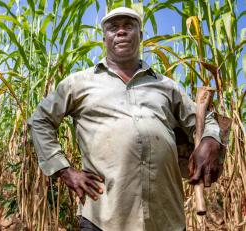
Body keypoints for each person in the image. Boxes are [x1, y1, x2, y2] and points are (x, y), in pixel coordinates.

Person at [29, 7, 222, 231]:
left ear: (140, 35)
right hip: (104, 215)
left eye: (128, 26)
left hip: (164, 216)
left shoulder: (166, 86)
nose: (121, 32)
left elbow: (204, 120)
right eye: (113, 28)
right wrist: (63, 170)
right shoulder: (78, 83)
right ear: (104, 39)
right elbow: (40, 120)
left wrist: (211, 140)